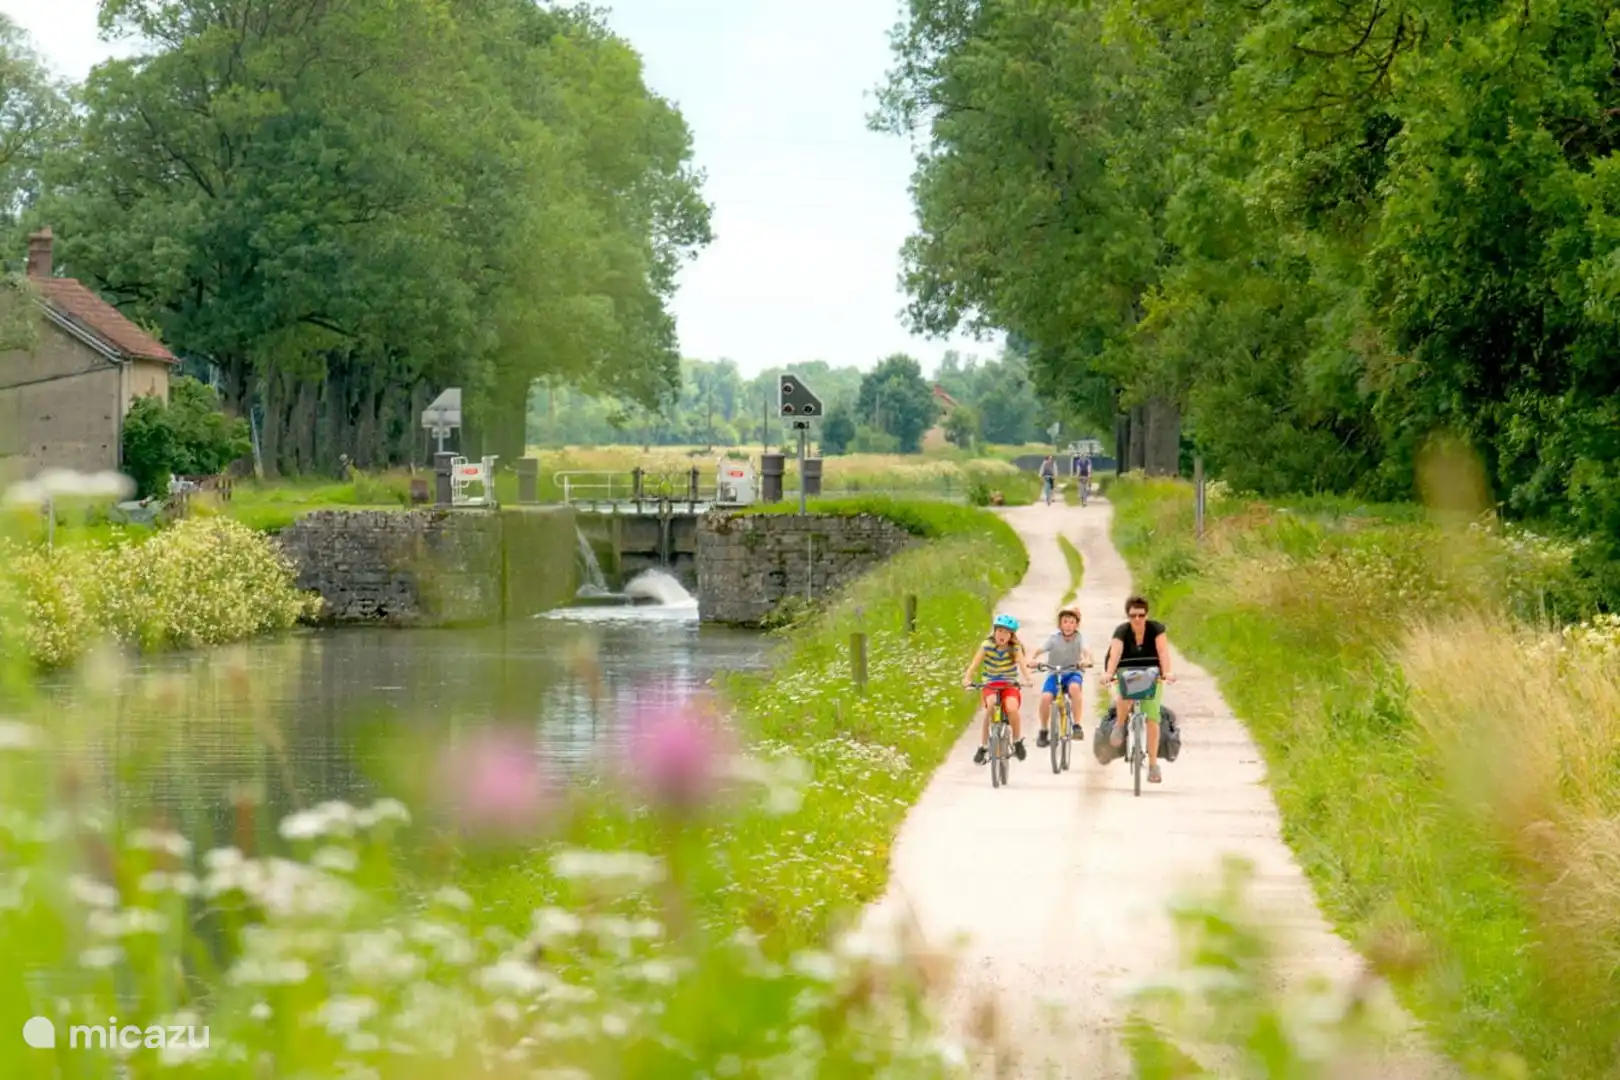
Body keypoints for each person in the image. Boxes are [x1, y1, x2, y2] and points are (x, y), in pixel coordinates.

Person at [1102, 594, 1176, 783]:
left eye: (1141, 615)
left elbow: (1163, 652)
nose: (1137, 619)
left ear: (1147, 615)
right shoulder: (1121, 631)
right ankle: (1119, 726)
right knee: (1124, 695)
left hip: (1152, 672)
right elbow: (1115, 654)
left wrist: (1167, 673)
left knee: (1152, 718)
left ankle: (1153, 765)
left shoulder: (1156, 629)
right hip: (1128, 669)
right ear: (1128, 616)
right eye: (1133, 615)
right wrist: (1108, 674)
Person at [961, 613, 1032, 765]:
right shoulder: (987, 645)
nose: (1002, 635)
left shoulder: (1015, 648)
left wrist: (1028, 678)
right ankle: (983, 746)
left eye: (1006, 632)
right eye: (999, 631)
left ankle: (1017, 741)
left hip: (1008, 684)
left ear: (1011, 635)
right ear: (994, 631)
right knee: (991, 706)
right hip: (990, 684)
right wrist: (967, 679)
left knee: (1011, 707)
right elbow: (974, 664)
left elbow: (1023, 665)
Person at [1030, 604, 1091, 747]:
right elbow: (1039, 649)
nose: (1068, 625)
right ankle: (1044, 730)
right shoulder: (1053, 638)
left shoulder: (1079, 638)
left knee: (1075, 688)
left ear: (1077, 625)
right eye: (1065, 621)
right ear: (1060, 624)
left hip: (1072, 672)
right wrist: (1032, 659)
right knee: (1045, 698)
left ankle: (1077, 725)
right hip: (1054, 671)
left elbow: (1086, 651)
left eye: (1072, 622)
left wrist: (1086, 660)